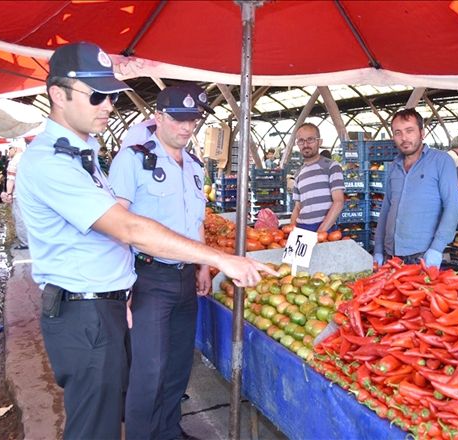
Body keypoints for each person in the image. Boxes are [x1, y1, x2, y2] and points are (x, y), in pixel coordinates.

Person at [15, 42, 274, 440]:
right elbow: (129, 228)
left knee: (156, 379)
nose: (108, 106)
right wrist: (223, 259)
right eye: (96, 95)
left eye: (112, 95)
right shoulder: (54, 160)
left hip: (107, 301)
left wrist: (124, 290)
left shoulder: (84, 153)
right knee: (102, 419)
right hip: (88, 310)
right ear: (57, 94)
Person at [108, 83, 215, 440]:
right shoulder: (133, 159)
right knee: (148, 372)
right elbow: (117, 226)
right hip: (148, 278)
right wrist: (122, 287)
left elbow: (195, 222)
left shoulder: (195, 167)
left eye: (193, 120)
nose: (186, 128)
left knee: (178, 366)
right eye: (178, 119)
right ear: (158, 117)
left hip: (185, 280)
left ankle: (169, 431)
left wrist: (202, 266)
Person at [373, 108, 458, 268]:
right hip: (391, 256)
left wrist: (437, 248)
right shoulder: (394, 166)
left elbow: (453, 208)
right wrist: (378, 249)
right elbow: (386, 209)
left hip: (423, 256)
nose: (404, 138)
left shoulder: (441, 161)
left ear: (422, 132)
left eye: (409, 131)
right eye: (398, 132)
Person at [289, 122, 345, 232]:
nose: (305, 145)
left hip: (325, 228)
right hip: (302, 229)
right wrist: (292, 230)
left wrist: (320, 233)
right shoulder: (298, 173)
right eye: (301, 141)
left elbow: (339, 202)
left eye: (310, 139)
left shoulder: (331, 167)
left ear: (319, 142)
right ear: (297, 144)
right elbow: (297, 207)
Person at [5, 143, 29, 249]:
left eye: (10, 149)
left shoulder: (14, 161)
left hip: (18, 194)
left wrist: (9, 194)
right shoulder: (27, 158)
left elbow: (11, 179)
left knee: (19, 218)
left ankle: (24, 242)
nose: (9, 152)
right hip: (29, 194)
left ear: (15, 148)